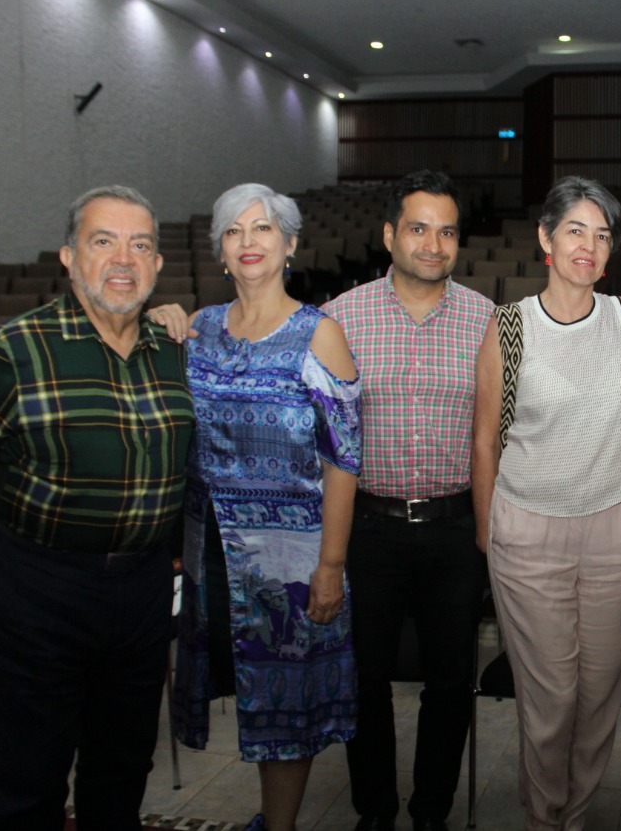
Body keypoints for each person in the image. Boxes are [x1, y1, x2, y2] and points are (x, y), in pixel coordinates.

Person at [0, 186, 194, 830]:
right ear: (69, 257)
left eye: (140, 245)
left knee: (122, 769)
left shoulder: (174, 353)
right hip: (37, 589)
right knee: (30, 775)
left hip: (140, 590)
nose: (123, 259)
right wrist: (14, 550)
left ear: (159, 266)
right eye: (102, 241)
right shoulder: (8, 352)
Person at [167, 183, 362, 831]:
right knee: (246, 694)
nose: (248, 241)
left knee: (286, 703)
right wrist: (155, 318)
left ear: (290, 243)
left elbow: (344, 457)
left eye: (262, 228)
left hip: (292, 561)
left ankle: (277, 826)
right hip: (214, 554)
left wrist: (331, 564)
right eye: (233, 231)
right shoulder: (198, 330)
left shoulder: (320, 334)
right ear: (222, 250)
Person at [321, 170, 493, 831]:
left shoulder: (486, 319)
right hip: (370, 528)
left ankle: (431, 813)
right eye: (419, 228)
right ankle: (374, 811)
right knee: (363, 680)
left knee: (450, 683)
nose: (433, 243)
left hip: (454, 528)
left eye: (446, 230)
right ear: (390, 234)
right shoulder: (341, 315)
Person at [472, 177, 621, 830]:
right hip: (528, 534)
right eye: (576, 230)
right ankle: (546, 818)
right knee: (551, 698)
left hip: (614, 532)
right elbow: (485, 439)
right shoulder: (509, 326)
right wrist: (491, 535)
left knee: (600, 694)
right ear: (545, 237)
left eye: (602, 236)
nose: (589, 246)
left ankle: (576, 813)